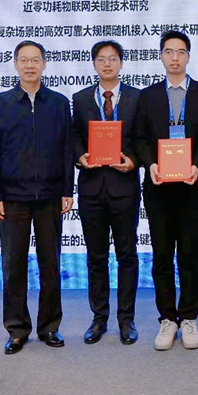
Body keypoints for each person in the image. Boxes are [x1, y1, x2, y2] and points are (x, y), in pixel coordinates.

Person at [0, 40, 74, 355]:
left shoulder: (59, 103)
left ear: (45, 64)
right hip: (12, 198)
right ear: (15, 64)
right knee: (14, 266)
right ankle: (17, 329)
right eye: (24, 60)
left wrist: (67, 189)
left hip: (49, 196)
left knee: (51, 264)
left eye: (36, 60)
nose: (30, 65)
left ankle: (50, 327)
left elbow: (66, 150)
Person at [132, 29, 198, 350]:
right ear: (161, 56)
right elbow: (140, 139)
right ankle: (168, 318)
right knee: (162, 255)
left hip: (193, 186)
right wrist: (151, 164)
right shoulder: (148, 96)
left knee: (190, 254)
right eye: (169, 52)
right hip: (158, 187)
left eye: (181, 52)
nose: (175, 58)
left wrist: (197, 165)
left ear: (189, 57)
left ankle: (189, 317)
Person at [71, 40, 141, 345]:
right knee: (96, 257)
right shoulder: (81, 98)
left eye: (113, 59)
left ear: (121, 63)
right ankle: (99, 318)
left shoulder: (137, 97)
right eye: (101, 59)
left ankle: (126, 319)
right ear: (94, 64)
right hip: (91, 187)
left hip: (124, 186)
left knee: (127, 255)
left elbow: (143, 136)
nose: (107, 64)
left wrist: (134, 160)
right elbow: (74, 135)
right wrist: (80, 156)